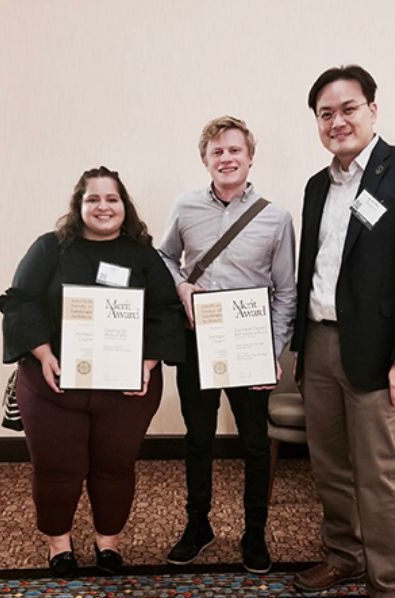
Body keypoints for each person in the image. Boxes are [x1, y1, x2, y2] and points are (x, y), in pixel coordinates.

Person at [291, 66, 395, 598]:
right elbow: (314, 270)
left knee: (379, 473)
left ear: (373, 111)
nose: (338, 121)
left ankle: (386, 588)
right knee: (329, 463)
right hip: (321, 342)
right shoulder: (315, 186)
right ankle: (343, 554)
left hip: (382, 354)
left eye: (348, 108)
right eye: (326, 114)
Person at [0, 166, 185, 577]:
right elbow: (21, 302)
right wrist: (44, 355)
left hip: (125, 391)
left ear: (124, 206)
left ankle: (108, 544)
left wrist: (148, 363)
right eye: (93, 198)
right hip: (53, 386)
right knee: (56, 468)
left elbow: (166, 311)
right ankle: (59, 545)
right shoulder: (50, 249)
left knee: (115, 466)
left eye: (111, 198)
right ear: (79, 205)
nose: (103, 206)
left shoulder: (142, 255)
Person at [159, 116, 297, 573]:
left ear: (250, 157)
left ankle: (254, 534)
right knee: (198, 438)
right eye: (217, 152)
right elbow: (163, 256)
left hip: (248, 343)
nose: (226, 158)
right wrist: (181, 286)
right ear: (206, 160)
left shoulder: (276, 218)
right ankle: (197, 525)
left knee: (255, 443)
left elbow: (286, 291)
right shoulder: (185, 206)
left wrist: (273, 352)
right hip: (197, 339)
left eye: (234, 150)